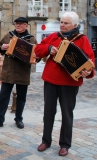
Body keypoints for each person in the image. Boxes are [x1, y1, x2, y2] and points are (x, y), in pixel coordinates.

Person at [34, 12, 95, 156]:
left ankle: (65, 144)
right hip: (51, 80)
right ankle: (46, 141)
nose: (62, 25)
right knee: (48, 112)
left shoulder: (82, 40)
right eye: (61, 22)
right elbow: (37, 49)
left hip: (70, 83)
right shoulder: (54, 36)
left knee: (67, 114)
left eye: (66, 23)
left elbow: (90, 63)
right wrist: (48, 49)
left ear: (75, 25)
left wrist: (88, 72)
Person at [0, 17, 37, 130]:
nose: (18, 25)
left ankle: (18, 119)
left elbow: (36, 55)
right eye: (16, 24)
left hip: (23, 72)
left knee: (21, 98)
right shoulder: (8, 35)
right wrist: (1, 48)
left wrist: (35, 57)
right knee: (3, 97)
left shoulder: (32, 39)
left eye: (21, 24)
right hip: (8, 71)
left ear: (26, 26)